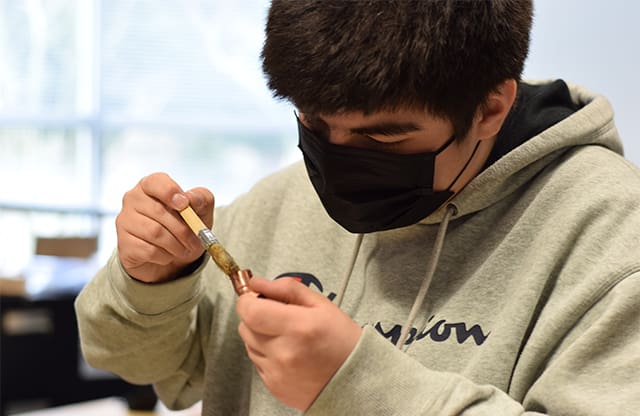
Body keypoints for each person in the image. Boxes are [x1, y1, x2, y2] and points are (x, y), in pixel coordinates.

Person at [75, 1, 640, 415]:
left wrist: (357, 386)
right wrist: (152, 280)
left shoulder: (611, 238)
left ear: (491, 107)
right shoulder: (279, 201)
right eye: (316, 125)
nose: (338, 162)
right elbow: (143, 366)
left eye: (385, 139)